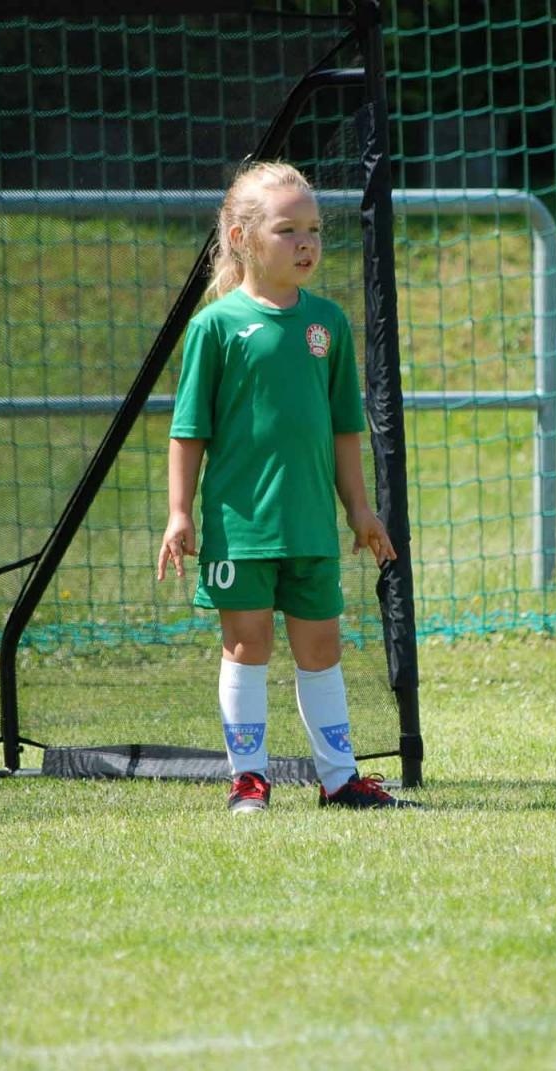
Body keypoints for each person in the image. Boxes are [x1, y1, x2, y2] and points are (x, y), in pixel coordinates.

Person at [156, 160, 420, 812]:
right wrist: (178, 512)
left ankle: (339, 780)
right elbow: (188, 430)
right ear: (242, 238)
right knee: (247, 644)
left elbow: (342, 429)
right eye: (287, 230)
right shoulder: (214, 328)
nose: (306, 243)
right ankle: (249, 779)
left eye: (313, 229)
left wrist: (359, 507)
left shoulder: (326, 323)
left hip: (309, 525)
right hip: (241, 526)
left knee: (322, 646)